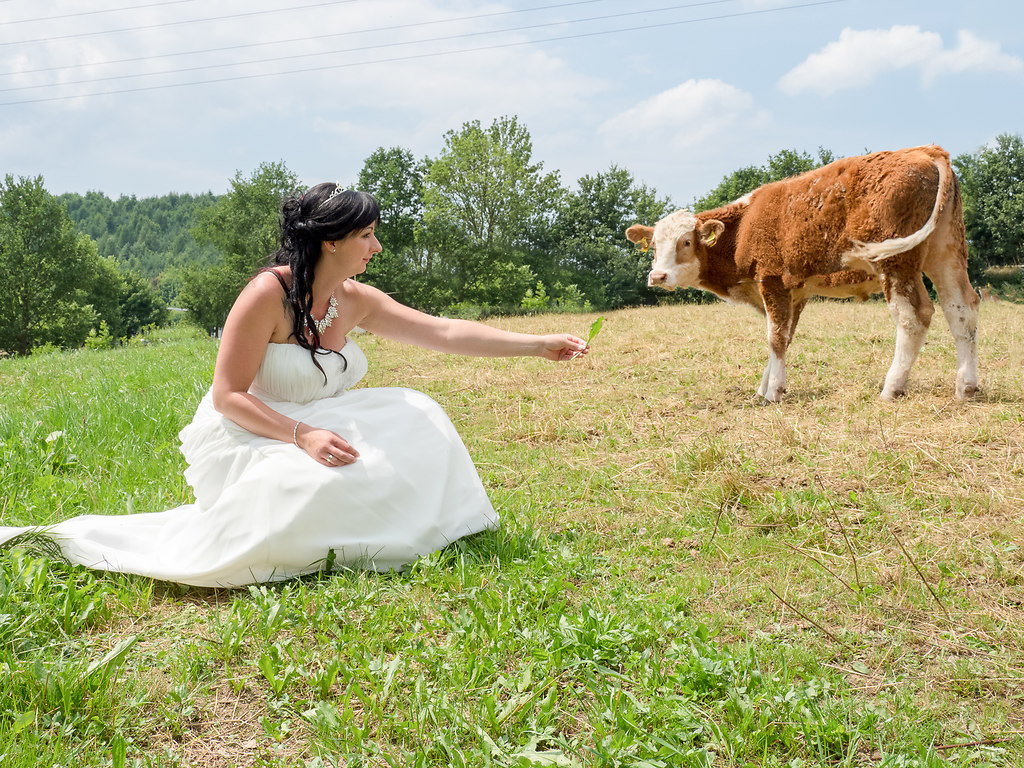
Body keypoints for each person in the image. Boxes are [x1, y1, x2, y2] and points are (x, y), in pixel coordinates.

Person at [0, 184, 588, 588]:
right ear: (332, 240)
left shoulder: (354, 299)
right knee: (305, 492)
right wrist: (301, 435)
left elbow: (443, 332)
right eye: (367, 236)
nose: (376, 248)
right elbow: (229, 394)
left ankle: (398, 525)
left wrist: (538, 345)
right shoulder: (266, 294)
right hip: (257, 428)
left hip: (324, 418)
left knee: (420, 415)